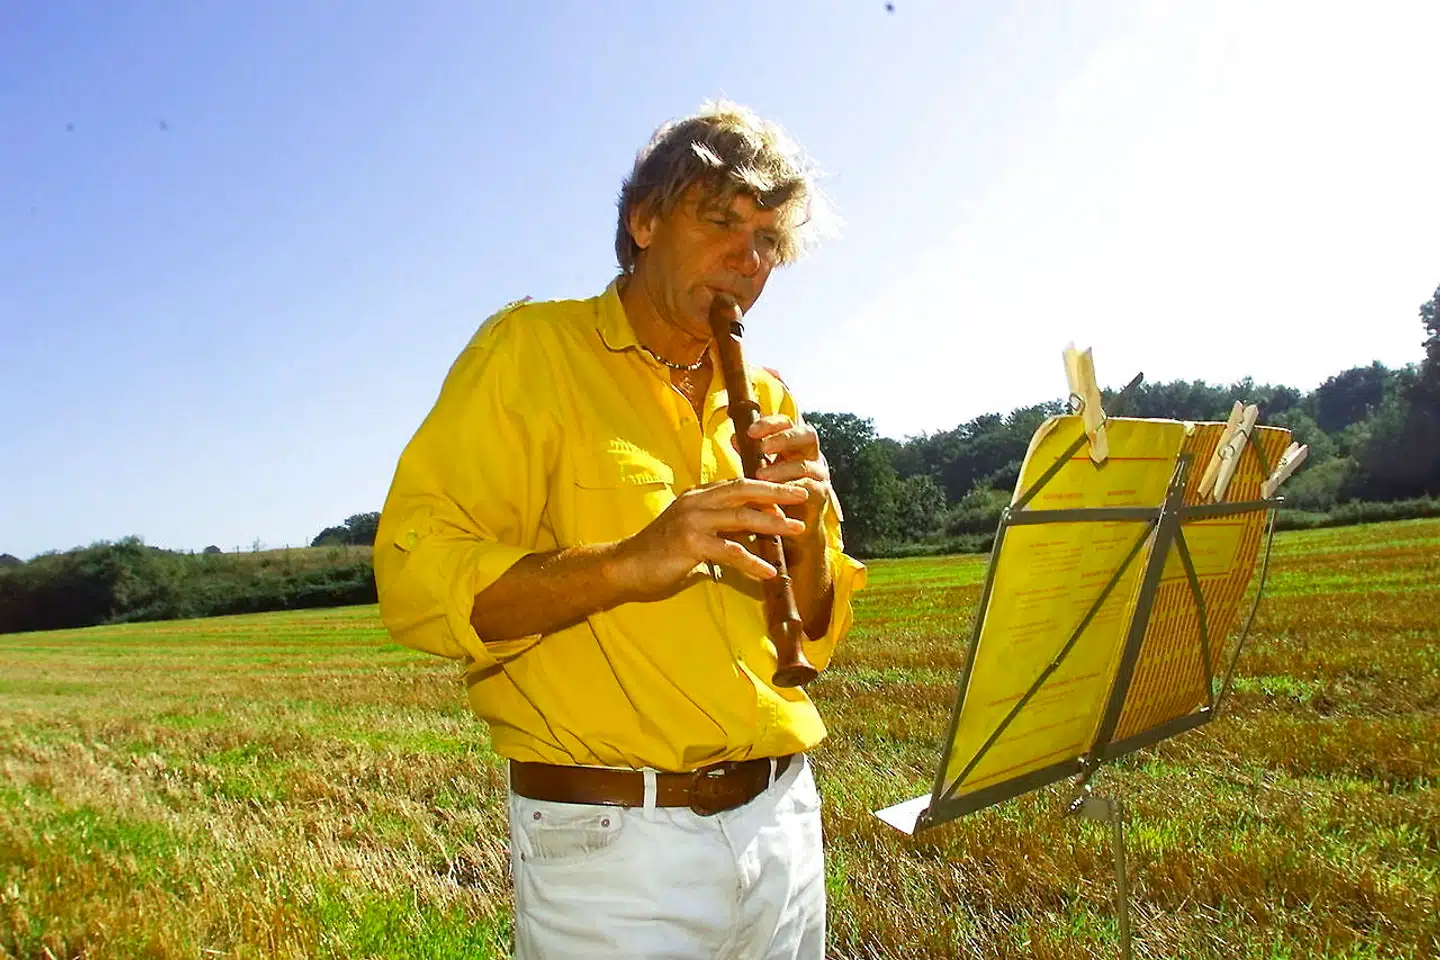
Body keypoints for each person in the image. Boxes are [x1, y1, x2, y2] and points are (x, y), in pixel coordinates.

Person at [373, 100, 868, 959]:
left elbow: (814, 640)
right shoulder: (530, 351)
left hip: (783, 820)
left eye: (766, 243)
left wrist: (808, 531)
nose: (745, 262)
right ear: (643, 220)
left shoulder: (770, 397)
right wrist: (635, 560)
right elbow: (416, 583)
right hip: (614, 851)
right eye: (720, 222)